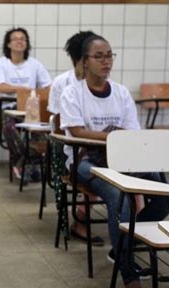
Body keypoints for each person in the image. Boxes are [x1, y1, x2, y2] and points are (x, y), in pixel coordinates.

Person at [59, 34, 169, 288]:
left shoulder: (120, 92)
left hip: (122, 158)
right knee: (117, 195)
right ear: (85, 62)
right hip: (83, 160)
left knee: (164, 192)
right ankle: (129, 275)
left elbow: (132, 132)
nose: (106, 61)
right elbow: (76, 131)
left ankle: (124, 241)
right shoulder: (73, 92)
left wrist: (115, 138)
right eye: (99, 56)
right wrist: (112, 136)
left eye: (109, 55)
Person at [48, 30, 105, 246]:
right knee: (96, 172)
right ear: (81, 59)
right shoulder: (63, 83)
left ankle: (133, 226)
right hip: (69, 148)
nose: (102, 61)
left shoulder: (105, 84)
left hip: (101, 145)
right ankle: (80, 221)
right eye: (95, 55)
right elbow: (57, 122)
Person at [0, 27, 52, 115]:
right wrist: (23, 90)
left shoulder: (35, 64)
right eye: (15, 39)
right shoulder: (1, 63)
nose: (19, 41)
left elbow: (49, 86)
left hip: (31, 108)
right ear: (8, 44)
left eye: (22, 39)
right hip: (8, 108)